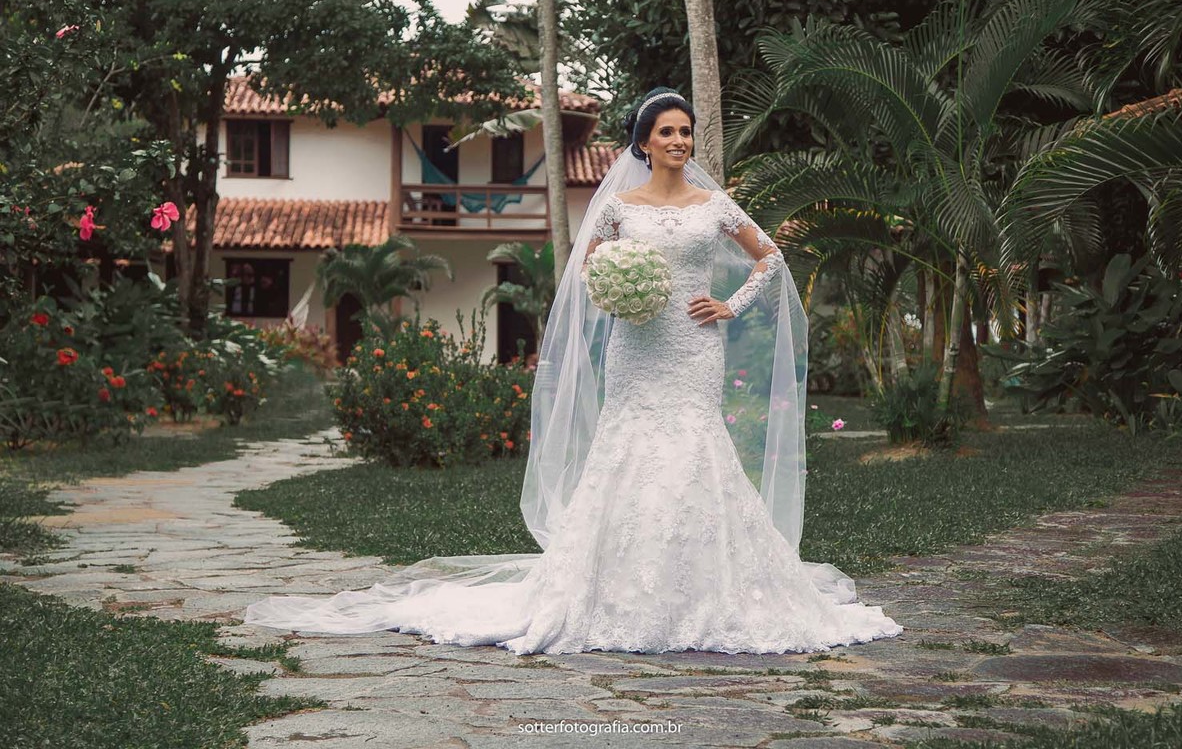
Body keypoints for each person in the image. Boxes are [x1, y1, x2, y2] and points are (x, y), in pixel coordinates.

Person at [243, 88, 902, 654]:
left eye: (685, 132)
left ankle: (706, 588)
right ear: (644, 142)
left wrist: (729, 305)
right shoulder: (619, 207)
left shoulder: (715, 206)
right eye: (666, 132)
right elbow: (585, 272)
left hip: (695, 347)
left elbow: (771, 258)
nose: (678, 141)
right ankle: (609, 590)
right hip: (635, 349)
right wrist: (618, 290)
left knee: (698, 449)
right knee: (629, 451)